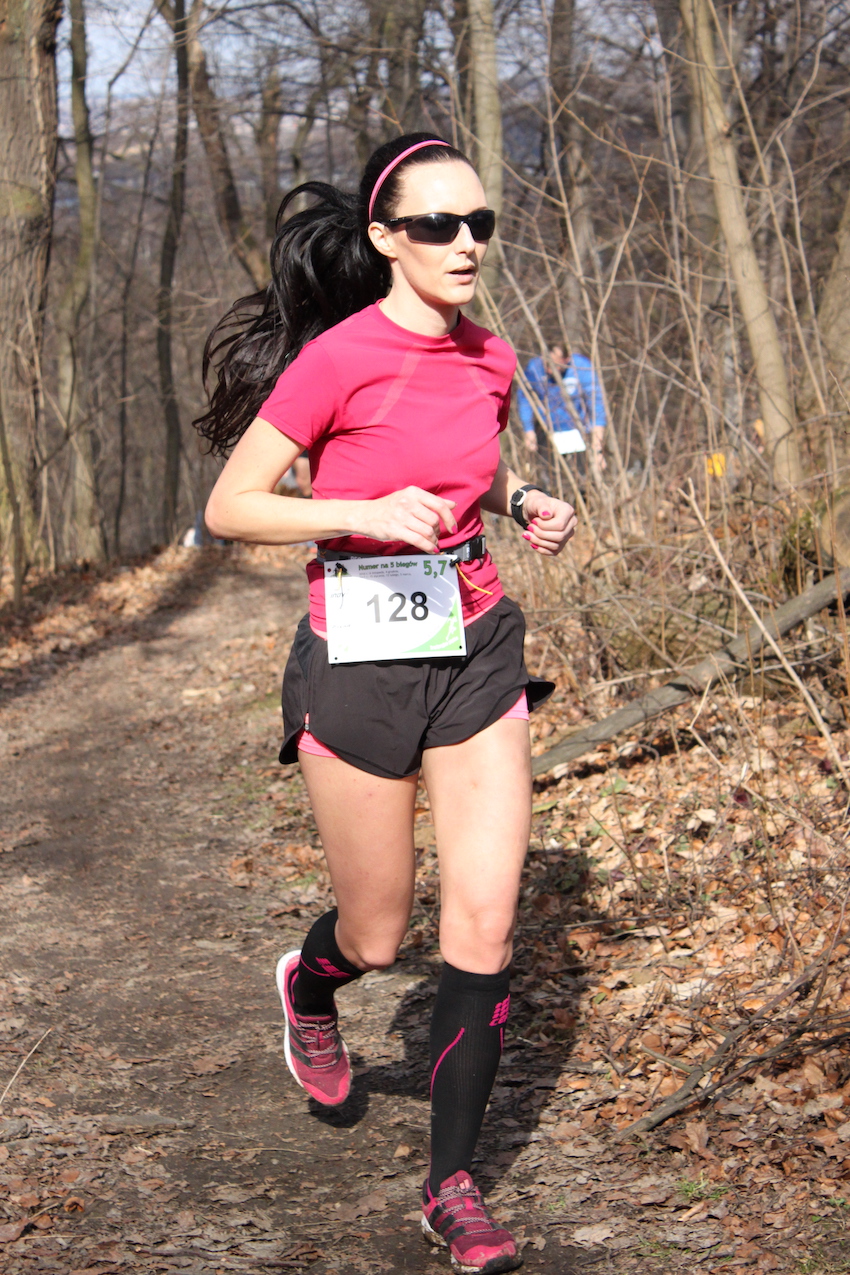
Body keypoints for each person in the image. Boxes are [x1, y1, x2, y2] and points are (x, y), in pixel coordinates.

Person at [196, 132, 577, 1275]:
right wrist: (357, 515)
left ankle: (451, 1187)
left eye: (479, 224)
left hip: (476, 646)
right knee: (376, 930)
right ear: (383, 238)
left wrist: (519, 500)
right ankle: (310, 989)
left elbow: (466, 464)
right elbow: (231, 506)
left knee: (483, 925)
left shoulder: (492, 356)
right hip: (359, 653)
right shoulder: (336, 361)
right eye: (435, 226)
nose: (465, 244)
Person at [516, 342, 607, 476]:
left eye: (555, 365)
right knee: (549, 476)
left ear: (567, 360)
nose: (550, 370)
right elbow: (524, 399)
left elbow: (596, 404)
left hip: (579, 432)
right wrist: (528, 430)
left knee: (581, 475)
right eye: (547, 364)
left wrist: (597, 446)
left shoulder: (581, 367)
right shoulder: (534, 369)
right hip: (547, 432)